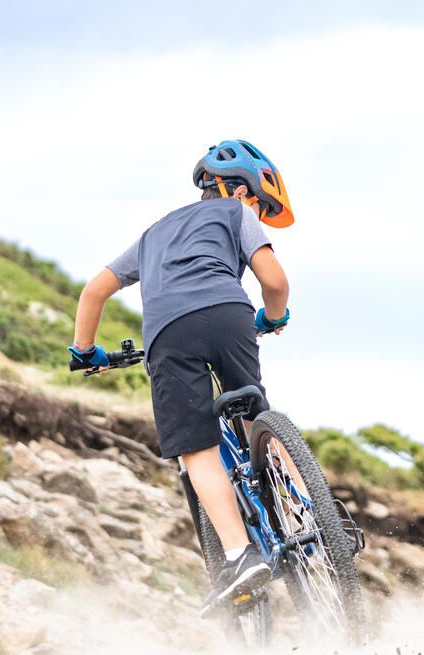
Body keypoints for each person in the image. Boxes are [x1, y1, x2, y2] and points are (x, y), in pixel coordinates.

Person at [67, 139, 293, 617]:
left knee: (196, 450)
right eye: (260, 203)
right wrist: (272, 319)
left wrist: (87, 352)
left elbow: (93, 293)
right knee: (256, 412)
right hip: (231, 312)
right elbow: (273, 283)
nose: (257, 210)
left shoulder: (152, 234)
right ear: (242, 193)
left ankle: (239, 555)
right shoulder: (237, 215)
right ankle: (305, 504)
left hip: (170, 332)